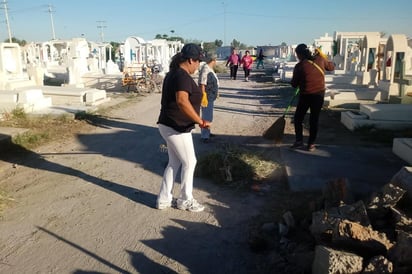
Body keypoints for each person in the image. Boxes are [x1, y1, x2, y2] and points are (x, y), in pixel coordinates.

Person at [156, 43, 210, 212]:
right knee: (190, 162)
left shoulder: (174, 74)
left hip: (168, 124)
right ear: (190, 60)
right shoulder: (182, 76)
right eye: (198, 62)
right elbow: (181, 101)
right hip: (176, 127)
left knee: (175, 162)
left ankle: (164, 199)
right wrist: (200, 121)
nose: (198, 65)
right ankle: (186, 199)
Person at [290, 43, 335, 152]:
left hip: (305, 95)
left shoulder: (300, 66)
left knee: (298, 118)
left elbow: (294, 84)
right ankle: (311, 144)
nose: (297, 57)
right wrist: (324, 57)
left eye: (297, 55)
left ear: (300, 54)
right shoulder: (320, 60)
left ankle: (299, 141)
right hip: (319, 95)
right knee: (314, 119)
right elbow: (331, 67)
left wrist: (300, 80)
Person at [199, 54, 219, 142]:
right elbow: (203, 83)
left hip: (210, 95)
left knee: (209, 116)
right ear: (213, 60)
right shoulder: (205, 69)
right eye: (216, 60)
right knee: (207, 116)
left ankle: (207, 132)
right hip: (207, 96)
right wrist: (203, 95)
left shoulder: (209, 69)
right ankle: (204, 136)